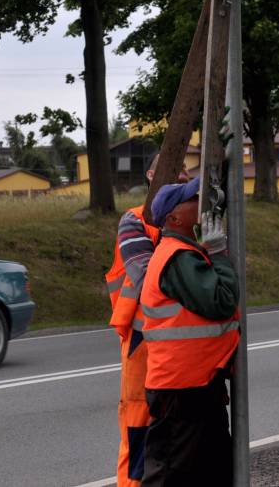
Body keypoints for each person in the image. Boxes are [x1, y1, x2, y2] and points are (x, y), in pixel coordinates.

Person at [138, 176, 240, 486]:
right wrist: (220, 256)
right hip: (181, 390)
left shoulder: (187, 254)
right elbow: (221, 301)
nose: (200, 204)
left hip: (197, 387)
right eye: (191, 200)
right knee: (170, 475)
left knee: (213, 472)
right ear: (174, 218)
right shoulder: (177, 257)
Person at [104, 157, 186, 487]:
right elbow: (149, 278)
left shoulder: (194, 224)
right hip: (141, 341)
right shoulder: (136, 220)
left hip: (179, 345)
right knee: (139, 427)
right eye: (172, 171)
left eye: (186, 174)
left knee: (178, 433)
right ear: (151, 176)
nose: (180, 177)